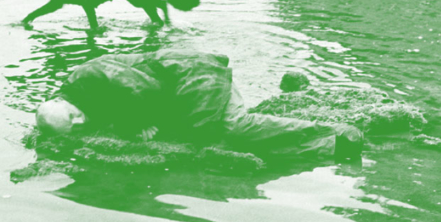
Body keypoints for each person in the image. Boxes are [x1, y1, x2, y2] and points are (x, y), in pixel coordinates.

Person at [35, 50, 363, 165]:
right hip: (183, 89)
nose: (80, 124)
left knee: (231, 127)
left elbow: (142, 89)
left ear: (59, 101)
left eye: (73, 118)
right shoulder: (78, 99)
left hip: (195, 76)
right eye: (73, 128)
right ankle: (331, 148)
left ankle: (336, 132)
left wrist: (136, 125)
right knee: (221, 142)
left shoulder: (87, 77)